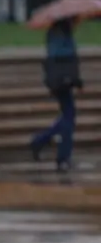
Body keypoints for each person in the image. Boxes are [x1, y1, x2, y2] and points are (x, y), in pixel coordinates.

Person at [31, 18, 83, 171]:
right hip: (62, 81)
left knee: (68, 116)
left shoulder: (58, 33)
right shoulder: (61, 36)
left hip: (60, 81)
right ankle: (62, 157)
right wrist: (74, 80)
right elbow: (65, 60)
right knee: (68, 118)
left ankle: (40, 141)